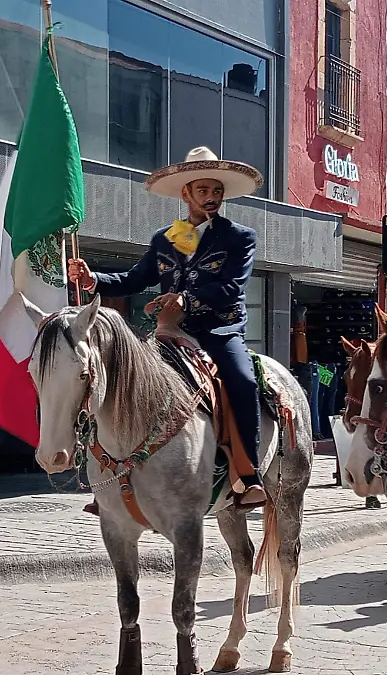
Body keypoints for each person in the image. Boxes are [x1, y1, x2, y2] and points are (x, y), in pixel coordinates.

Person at [67, 147, 268, 510]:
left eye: (216, 191)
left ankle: (248, 473)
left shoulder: (240, 237)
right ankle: (110, 473)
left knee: (243, 379)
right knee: (121, 378)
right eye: (203, 191)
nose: (211, 198)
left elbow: (231, 288)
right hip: (168, 333)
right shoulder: (163, 239)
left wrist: (187, 301)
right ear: (185, 194)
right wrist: (92, 278)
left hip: (219, 330)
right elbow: (135, 279)